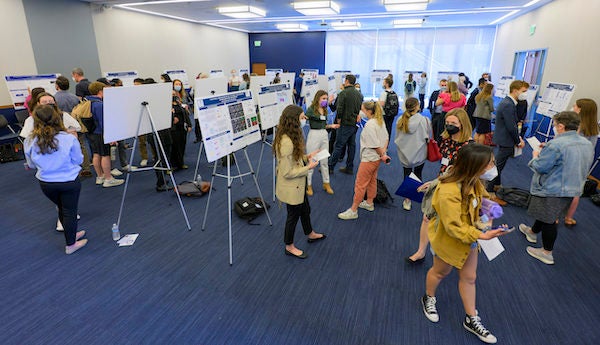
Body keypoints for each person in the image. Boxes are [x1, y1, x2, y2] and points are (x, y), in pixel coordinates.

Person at [422, 143, 508, 344]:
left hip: (470, 238)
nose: (493, 168)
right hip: (450, 240)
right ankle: (429, 297)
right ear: (475, 166)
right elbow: (453, 227)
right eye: (490, 164)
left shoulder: (474, 181)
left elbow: (483, 199)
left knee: (470, 277)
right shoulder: (448, 190)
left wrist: (489, 211)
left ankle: (471, 317)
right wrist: (482, 234)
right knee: (440, 272)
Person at [519, 111, 594, 265]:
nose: (554, 128)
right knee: (549, 214)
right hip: (573, 187)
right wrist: (548, 148)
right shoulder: (586, 143)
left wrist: (535, 156)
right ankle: (532, 232)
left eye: (554, 125)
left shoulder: (556, 145)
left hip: (552, 188)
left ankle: (547, 252)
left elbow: (541, 167)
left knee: (550, 220)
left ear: (561, 126)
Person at [406, 108, 473, 263]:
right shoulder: (447, 140)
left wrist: (437, 182)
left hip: (456, 189)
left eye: (453, 123)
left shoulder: (469, 146)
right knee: (426, 217)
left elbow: (463, 174)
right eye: (447, 123)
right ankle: (421, 251)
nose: (449, 126)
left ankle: (451, 255)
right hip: (441, 183)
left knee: (450, 224)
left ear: (462, 124)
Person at [24, 104, 88, 254]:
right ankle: (71, 245)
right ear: (57, 118)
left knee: (62, 208)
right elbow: (79, 160)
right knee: (69, 211)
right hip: (69, 181)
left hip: (46, 183)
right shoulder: (68, 138)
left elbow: (31, 164)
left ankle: (70, 234)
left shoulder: (30, 141)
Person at [274, 105, 326, 259]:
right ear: (293, 119)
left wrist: (307, 157)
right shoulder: (286, 142)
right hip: (292, 186)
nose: (305, 119)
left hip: (299, 185)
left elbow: (294, 159)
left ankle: (310, 233)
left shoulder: (290, 135)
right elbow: (287, 172)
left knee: (305, 210)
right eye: (302, 117)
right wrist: (308, 167)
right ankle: (289, 246)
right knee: (293, 216)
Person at [338, 101, 390, 220]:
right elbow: (386, 138)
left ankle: (353, 210)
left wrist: (382, 154)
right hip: (376, 159)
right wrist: (383, 153)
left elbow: (374, 144)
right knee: (372, 181)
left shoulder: (371, 124)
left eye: (363, 110)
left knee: (360, 184)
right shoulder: (379, 121)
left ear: (369, 111)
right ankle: (369, 202)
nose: (361, 112)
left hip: (369, 158)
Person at [488, 80, 527, 194]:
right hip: (506, 139)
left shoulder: (509, 103)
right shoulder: (508, 105)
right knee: (498, 166)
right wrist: (518, 140)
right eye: (523, 91)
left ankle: (496, 186)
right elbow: (511, 126)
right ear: (515, 91)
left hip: (504, 138)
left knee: (499, 164)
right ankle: (489, 191)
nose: (525, 94)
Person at [564, 99, 598, 226]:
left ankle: (555, 217)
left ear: (580, 110)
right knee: (576, 192)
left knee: (561, 189)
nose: (573, 107)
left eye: (575, 106)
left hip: (571, 161)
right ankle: (568, 218)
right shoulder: (593, 127)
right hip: (584, 162)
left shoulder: (577, 127)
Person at [394, 97, 430, 211]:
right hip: (420, 153)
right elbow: (427, 137)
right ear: (417, 106)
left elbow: (397, 137)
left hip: (405, 154)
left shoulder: (400, 120)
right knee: (418, 174)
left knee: (407, 174)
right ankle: (418, 196)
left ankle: (407, 200)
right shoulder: (424, 120)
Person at [86, 81, 124, 188]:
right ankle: (108, 178)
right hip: (100, 133)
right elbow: (104, 122)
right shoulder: (99, 105)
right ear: (100, 91)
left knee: (96, 154)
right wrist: (111, 136)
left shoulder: (87, 102)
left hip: (91, 133)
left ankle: (100, 176)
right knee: (105, 155)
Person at [305, 90, 339, 196]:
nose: (325, 100)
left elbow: (323, 125)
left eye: (326, 98)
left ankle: (326, 183)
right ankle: (308, 185)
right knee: (312, 160)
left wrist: (331, 126)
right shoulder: (311, 109)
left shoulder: (325, 110)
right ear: (318, 98)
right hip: (313, 135)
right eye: (323, 98)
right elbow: (308, 117)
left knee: (324, 161)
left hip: (324, 135)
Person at [328, 74, 363, 175]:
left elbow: (339, 108)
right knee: (352, 146)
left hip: (345, 123)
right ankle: (349, 167)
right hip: (354, 124)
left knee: (338, 145)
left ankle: (330, 167)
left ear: (347, 81)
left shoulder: (343, 93)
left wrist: (338, 119)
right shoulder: (359, 94)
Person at [170, 90, 192, 171]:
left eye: (174, 94)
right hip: (173, 129)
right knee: (174, 147)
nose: (174, 96)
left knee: (182, 145)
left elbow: (185, 114)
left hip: (182, 128)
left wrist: (189, 125)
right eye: (172, 94)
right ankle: (173, 165)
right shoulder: (166, 105)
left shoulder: (179, 103)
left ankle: (181, 163)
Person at [379, 76, 398, 141]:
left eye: (383, 83)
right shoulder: (394, 93)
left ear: (387, 84)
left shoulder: (384, 93)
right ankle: (386, 146)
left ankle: (383, 145)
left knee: (383, 130)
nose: (383, 84)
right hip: (392, 113)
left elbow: (382, 104)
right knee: (389, 129)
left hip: (384, 114)